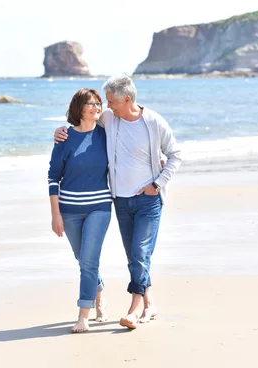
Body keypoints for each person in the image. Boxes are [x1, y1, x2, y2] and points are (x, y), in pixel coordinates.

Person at [54, 74, 182, 330]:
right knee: (134, 256)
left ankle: (133, 311)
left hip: (149, 200)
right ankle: (150, 303)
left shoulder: (153, 122)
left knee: (140, 254)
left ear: (126, 99)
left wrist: (157, 184)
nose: (106, 106)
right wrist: (61, 132)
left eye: (111, 101)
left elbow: (175, 155)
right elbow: (83, 123)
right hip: (121, 201)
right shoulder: (110, 119)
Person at [48, 88, 113, 333]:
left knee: (88, 261)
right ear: (79, 108)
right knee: (84, 260)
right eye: (91, 103)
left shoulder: (107, 134)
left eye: (99, 103)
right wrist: (55, 214)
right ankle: (99, 295)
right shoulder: (64, 138)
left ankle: (83, 315)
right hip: (70, 210)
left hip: (100, 207)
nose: (97, 107)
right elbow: (53, 178)